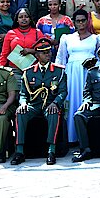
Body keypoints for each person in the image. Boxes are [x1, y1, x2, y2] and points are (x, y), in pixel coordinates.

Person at [11, 38, 68, 166]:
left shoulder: (59, 71)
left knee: (54, 112)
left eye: (49, 51)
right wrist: (23, 103)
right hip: (34, 105)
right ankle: (19, 151)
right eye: (44, 52)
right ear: (37, 55)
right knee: (20, 113)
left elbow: (63, 92)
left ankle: (51, 151)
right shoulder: (29, 72)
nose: (48, 54)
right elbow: (23, 93)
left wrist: (55, 103)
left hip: (50, 104)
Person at [56, 9, 100, 143]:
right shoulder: (67, 38)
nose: (81, 23)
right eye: (78, 21)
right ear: (74, 22)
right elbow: (61, 59)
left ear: (87, 21)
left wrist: (95, 65)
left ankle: (89, 138)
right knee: (72, 102)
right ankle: (73, 137)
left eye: (83, 20)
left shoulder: (96, 38)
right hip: (72, 74)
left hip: (89, 74)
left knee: (88, 101)